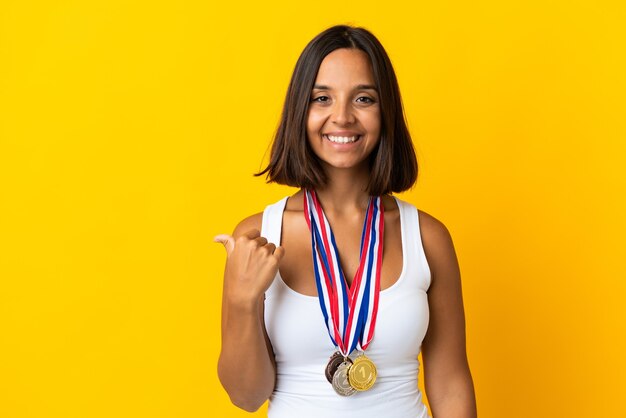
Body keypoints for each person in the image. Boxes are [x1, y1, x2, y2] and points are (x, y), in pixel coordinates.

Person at [214, 24, 477, 418]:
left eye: (364, 99)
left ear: (385, 111)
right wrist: (241, 299)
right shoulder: (258, 237)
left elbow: (451, 382)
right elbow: (247, 396)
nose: (342, 117)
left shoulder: (428, 237)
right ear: (300, 111)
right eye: (322, 98)